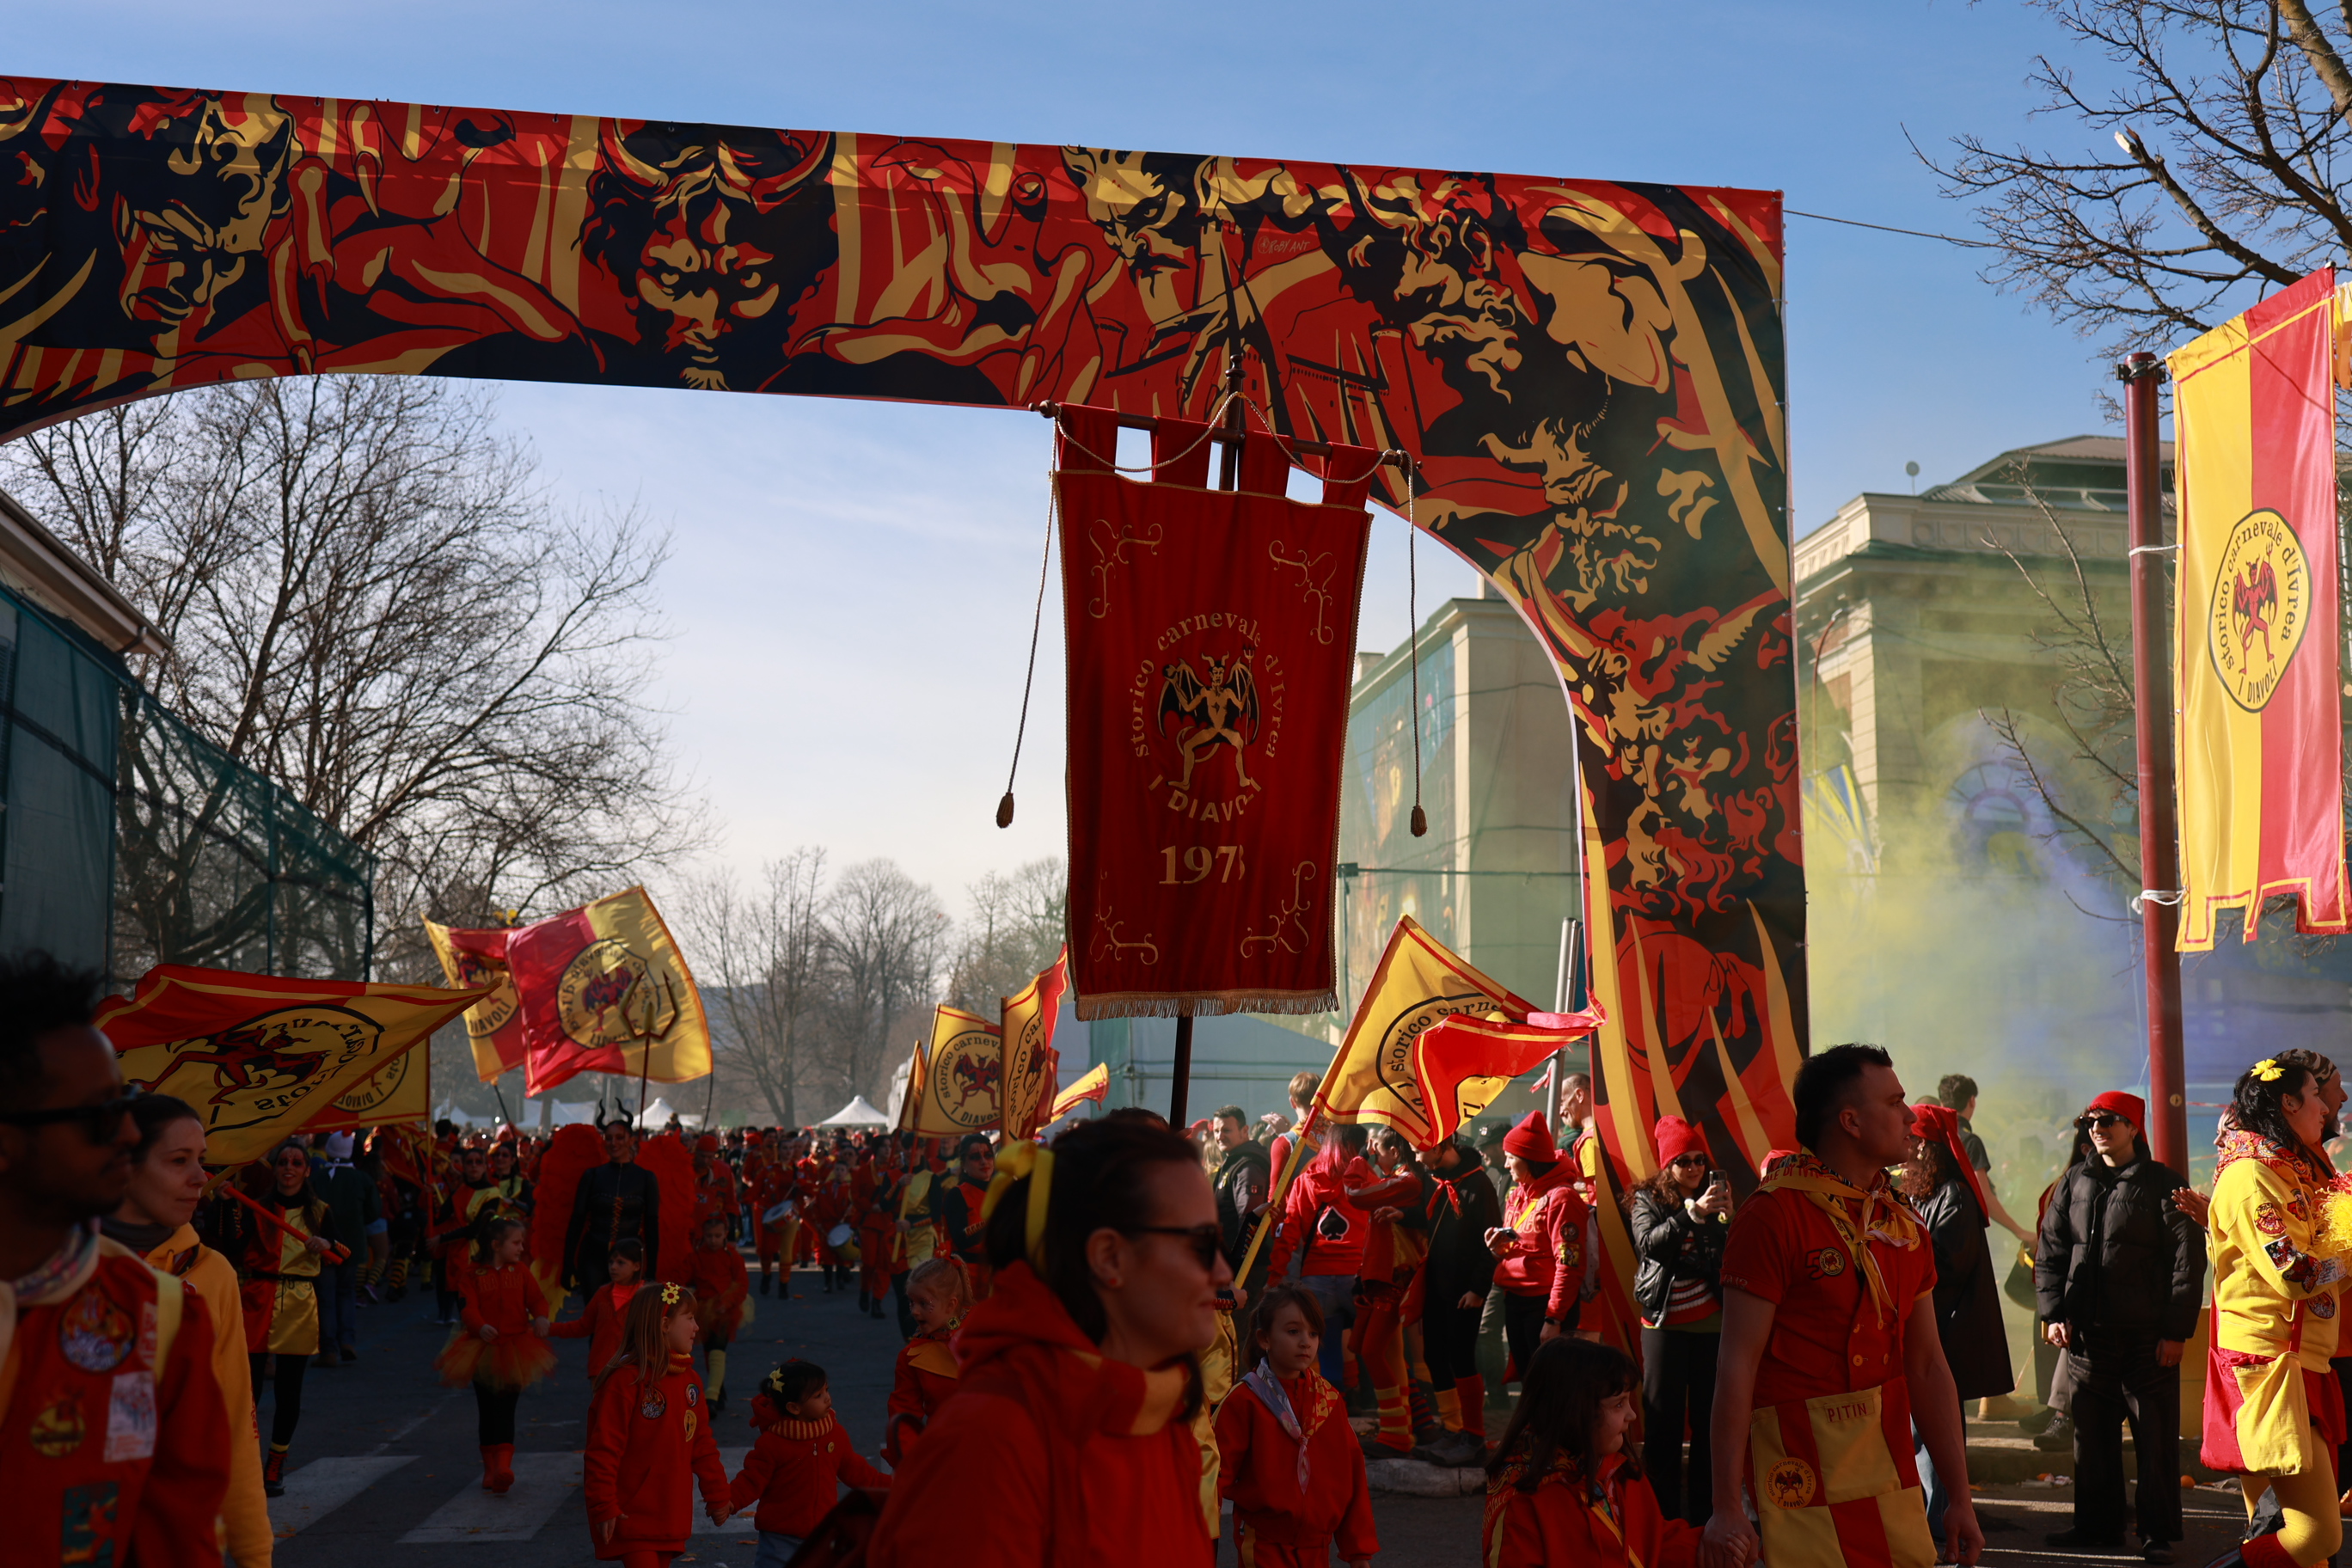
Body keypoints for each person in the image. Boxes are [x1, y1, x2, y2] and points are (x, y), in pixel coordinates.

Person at [865, 1117, 1230, 1567]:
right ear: (1108, 1257)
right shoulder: (990, 1445)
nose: (1222, 1272)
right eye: (1200, 1244)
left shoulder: (1159, 1409)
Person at [1704, 1043, 1981, 1568]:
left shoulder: (1902, 1221)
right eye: (1894, 1103)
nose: (1910, 1117)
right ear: (1850, 1122)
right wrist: (1725, 1507)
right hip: (1794, 1474)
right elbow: (1736, 1365)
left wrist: (1960, 1498)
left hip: (1887, 1468)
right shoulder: (1772, 1215)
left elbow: (1926, 1364)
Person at [0, 953, 231, 1567]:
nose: (129, 1133)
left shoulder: (163, 1317)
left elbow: (179, 1543)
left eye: (124, 1103)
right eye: (99, 1115)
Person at [101, 1091, 273, 1567]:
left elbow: (236, 1421)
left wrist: (255, 1553)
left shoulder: (212, 1274)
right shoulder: (60, 1272)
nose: (201, 1177)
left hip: (181, 1544)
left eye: (201, 1159)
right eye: (179, 1161)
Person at [2032, 1089, 2202, 1562]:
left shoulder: (2164, 1184)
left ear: (2133, 1128)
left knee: (2156, 1443)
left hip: (2148, 1341)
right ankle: (2096, 1527)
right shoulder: (2074, 1182)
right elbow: (2051, 1251)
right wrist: (2053, 1313)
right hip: (2088, 1338)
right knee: (2091, 1442)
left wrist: (2176, 1331)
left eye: (2108, 1120)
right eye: (2091, 1121)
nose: (2098, 1129)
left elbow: (2188, 1262)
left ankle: (2157, 1533)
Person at [2200, 1057, 2351, 1568]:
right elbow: (2295, 1274)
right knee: (2316, 1538)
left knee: (2295, 1542)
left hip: (2298, 1361)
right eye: (2316, 1095)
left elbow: (2319, 1272)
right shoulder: (2252, 1175)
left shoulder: (2287, 1171)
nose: (2326, 1108)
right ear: (2288, 1102)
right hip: (2270, 1366)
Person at [1482, 1336, 1701, 1568]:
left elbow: (1654, 1543)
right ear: (1575, 1412)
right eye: (1619, 1404)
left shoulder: (1622, 1473)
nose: (1632, 1415)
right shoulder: (1524, 1503)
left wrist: (1715, 1547)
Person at [1902, 1102, 2015, 1548]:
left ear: (1930, 1149)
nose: (1906, 1148)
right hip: (1924, 1332)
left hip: (1946, 1334)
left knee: (1938, 1434)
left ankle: (1941, 1524)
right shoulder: (1918, 1193)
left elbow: (1947, 1266)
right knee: (1918, 1434)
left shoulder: (1955, 1196)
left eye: (1914, 1141)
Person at [1216, 1280, 1377, 1566]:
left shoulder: (1329, 1401)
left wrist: (1359, 1552)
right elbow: (1212, 1480)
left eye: (1313, 1333)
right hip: (1264, 1545)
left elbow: (1352, 1476)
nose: (1306, 1342)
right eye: (1293, 1331)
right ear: (1265, 1339)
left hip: (1318, 1548)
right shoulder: (1245, 1400)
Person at [584, 1282, 733, 1565]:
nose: (696, 1327)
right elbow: (603, 1449)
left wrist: (718, 1494)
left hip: (670, 1513)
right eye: (690, 1318)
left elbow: (701, 1444)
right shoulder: (626, 1381)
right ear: (664, 1325)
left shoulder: (690, 1380)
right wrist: (603, 1504)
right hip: (630, 1514)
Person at [1629, 1113, 1730, 1526]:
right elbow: (1648, 1245)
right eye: (1683, 1161)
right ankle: (1664, 1518)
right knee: (1662, 1424)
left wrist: (1727, 1218)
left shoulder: (1716, 1195)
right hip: (1665, 1325)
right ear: (1667, 1166)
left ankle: (1706, 1517)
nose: (1694, 1168)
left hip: (1712, 1326)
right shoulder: (1647, 1199)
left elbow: (1731, 1255)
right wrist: (1692, 1214)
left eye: (1699, 1160)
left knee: (1709, 1425)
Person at [230, 1136, 340, 1495]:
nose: (289, 1168)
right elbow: (230, 1245)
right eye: (283, 1162)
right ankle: (245, 1461)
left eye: (296, 1163)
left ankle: (276, 1462)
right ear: (275, 1169)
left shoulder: (320, 1211)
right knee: (248, 1389)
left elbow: (344, 1251)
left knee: (289, 1390)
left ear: (307, 1171)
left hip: (299, 1303)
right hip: (258, 1298)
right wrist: (225, 1208)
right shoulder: (255, 1207)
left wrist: (328, 1244)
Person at [728, 1358, 893, 1566]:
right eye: (818, 1395)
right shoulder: (773, 1443)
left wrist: (893, 1488)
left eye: (826, 1390)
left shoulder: (834, 1434)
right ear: (794, 1407)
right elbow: (752, 1479)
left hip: (822, 1536)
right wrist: (729, 1501)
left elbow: (858, 1472)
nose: (827, 1398)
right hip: (780, 1537)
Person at [434, 1215, 555, 1494]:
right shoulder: (472, 1274)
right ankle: (490, 1468)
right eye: (516, 1243)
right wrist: (480, 1326)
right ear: (496, 1245)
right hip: (482, 1349)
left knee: (506, 1409)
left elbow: (536, 1299)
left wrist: (540, 1316)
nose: (522, 1248)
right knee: (487, 1410)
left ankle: (503, 1467)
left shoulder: (521, 1271)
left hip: (515, 1348)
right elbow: (467, 1307)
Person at [1487, 1112, 1591, 1393]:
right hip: (1516, 1301)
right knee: (1530, 1384)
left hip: (1544, 1307)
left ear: (1530, 1158)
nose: (1506, 1164)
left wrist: (1553, 1318)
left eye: (1511, 1157)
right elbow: (1523, 1247)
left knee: (1552, 1389)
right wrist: (1499, 1247)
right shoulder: (1518, 1193)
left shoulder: (1562, 1198)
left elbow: (1569, 1264)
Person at [1417, 1131, 1504, 1467]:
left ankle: (1474, 1435)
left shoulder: (1479, 1184)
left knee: (1462, 1360)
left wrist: (1479, 1289)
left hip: (1465, 1291)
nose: (1417, 1156)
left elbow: (1492, 1242)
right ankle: (1452, 1429)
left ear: (1440, 1147)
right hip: (1435, 1287)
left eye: (1420, 1150)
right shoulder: (1432, 1180)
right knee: (1434, 1355)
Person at [1267, 1121, 1372, 1390]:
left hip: (1316, 1280)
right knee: (1378, 1347)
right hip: (1358, 1277)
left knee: (1326, 1351)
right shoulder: (1368, 1180)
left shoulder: (1304, 1182)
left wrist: (1275, 1276)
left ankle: (1334, 1405)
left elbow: (1288, 1233)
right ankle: (1387, 1406)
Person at [885, 1257, 969, 1467]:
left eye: (924, 1303)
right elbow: (903, 1418)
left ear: (951, 1304)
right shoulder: (912, 1357)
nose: (914, 1311)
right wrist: (909, 1464)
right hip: (946, 1460)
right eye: (911, 1302)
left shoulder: (987, 1333)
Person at [1935, 1074, 2034, 1246]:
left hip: (1927, 1232)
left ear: (1942, 1103)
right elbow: (1984, 1196)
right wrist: (2020, 1232)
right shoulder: (1969, 1142)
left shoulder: (1931, 1138)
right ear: (1972, 1101)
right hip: (1957, 1236)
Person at [566, 1118, 663, 1293]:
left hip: (631, 1259)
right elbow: (577, 1220)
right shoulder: (592, 1176)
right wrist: (568, 1262)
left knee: (625, 1308)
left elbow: (651, 1225)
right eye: (609, 1138)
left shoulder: (646, 1178)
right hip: (593, 1256)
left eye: (619, 1137)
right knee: (595, 1307)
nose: (613, 1143)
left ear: (631, 1140)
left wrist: (652, 1269)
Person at [310, 1129, 379, 1366]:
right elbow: (374, 1213)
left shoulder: (318, 1178)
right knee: (347, 1293)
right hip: (352, 1245)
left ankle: (328, 1348)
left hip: (324, 1247)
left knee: (326, 1297)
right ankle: (347, 1341)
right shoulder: (362, 1179)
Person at [551, 1236, 649, 1379]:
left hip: (634, 1370)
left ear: (636, 1266)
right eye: (611, 1262)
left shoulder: (646, 1297)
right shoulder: (603, 1294)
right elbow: (583, 1326)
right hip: (601, 1369)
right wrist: (550, 1328)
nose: (613, 1267)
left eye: (621, 1263)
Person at [682, 1210, 751, 1409]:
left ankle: (711, 1397)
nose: (713, 1240)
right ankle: (718, 1389)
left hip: (725, 1310)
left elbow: (742, 1284)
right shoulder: (695, 1257)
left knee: (717, 1348)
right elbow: (683, 1277)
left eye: (718, 1236)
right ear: (703, 1235)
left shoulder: (733, 1257)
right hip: (703, 1308)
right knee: (708, 1350)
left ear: (726, 1234)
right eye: (709, 1236)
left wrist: (727, 1302)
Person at [1211, 1104, 1272, 1297]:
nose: (1220, 1136)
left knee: (1241, 1316)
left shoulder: (1247, 1167)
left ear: (1244, 1131)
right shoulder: (1234, 1162)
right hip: (1232, 1265)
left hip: (1245, 1271)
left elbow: (1249, 1221)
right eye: (1217, 1131)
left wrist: (1236, 1270)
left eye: (1226, 1130)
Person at [935, 1133, 997, 1298]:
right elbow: (962, 1240)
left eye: (988, 1155)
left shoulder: (1004, 1191)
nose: (984, 1162)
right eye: (975, 1157)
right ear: (963, 1164)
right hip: (969, 1276)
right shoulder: (956, 1195)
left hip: (1000, 1272)